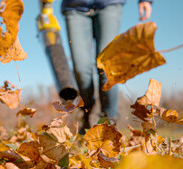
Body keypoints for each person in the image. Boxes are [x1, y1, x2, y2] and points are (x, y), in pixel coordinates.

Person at [61, 0, 153, 133]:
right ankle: (87, 114)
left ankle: (110, 121)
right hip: (74, 7)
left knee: (107, 66)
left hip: (109, 4)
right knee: (81, 68)